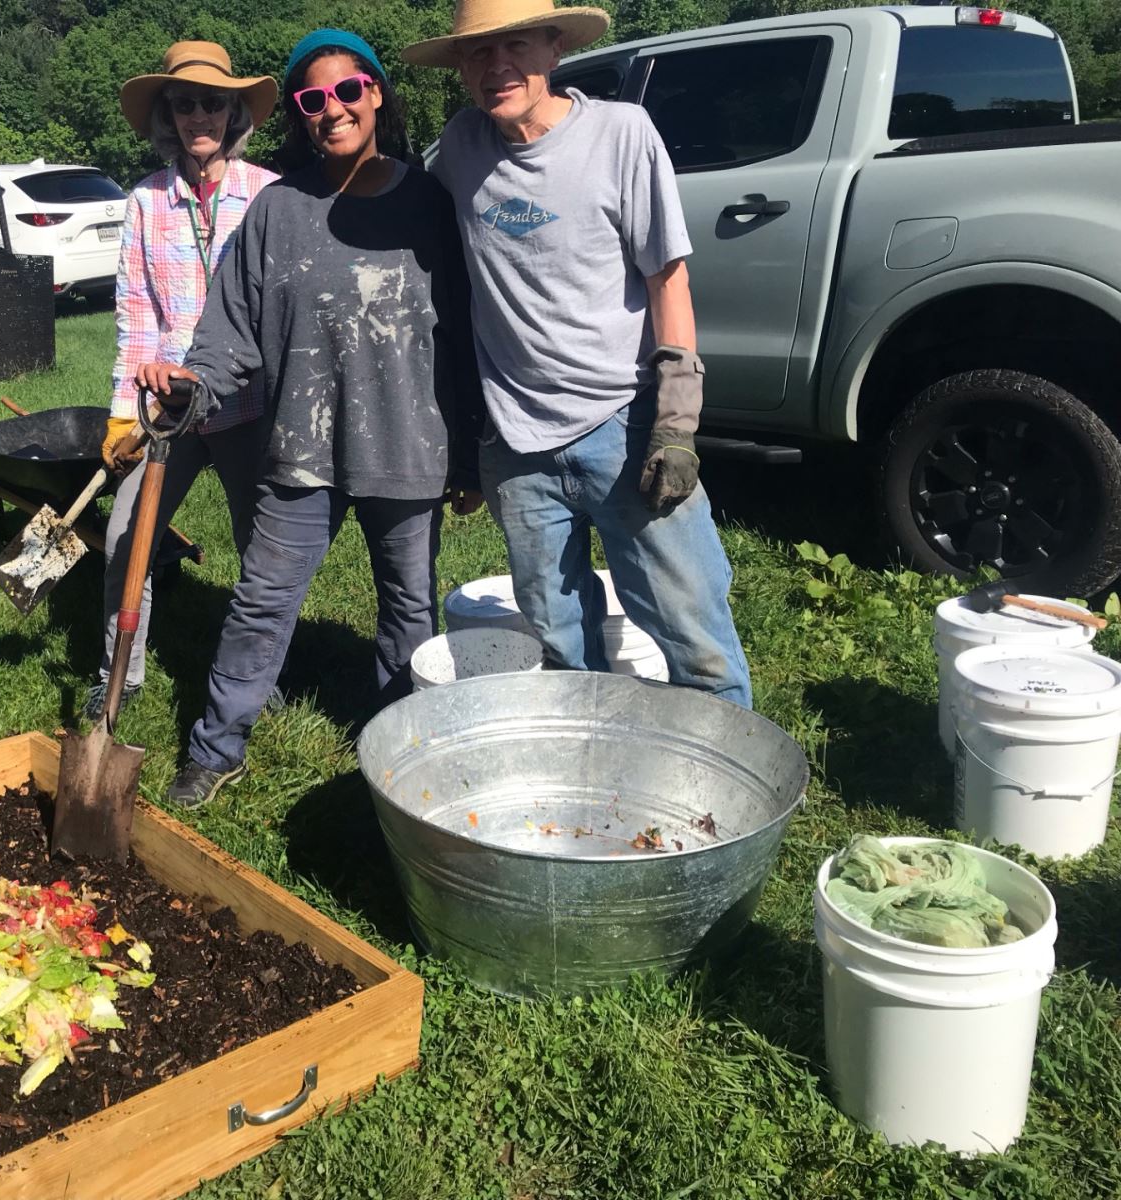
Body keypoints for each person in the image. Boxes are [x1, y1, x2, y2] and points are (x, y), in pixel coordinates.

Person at [138, 29, 483, 807]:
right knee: (262, 600)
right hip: (301, 449)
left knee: (409, 608)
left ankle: (403, 754)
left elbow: (462, 337)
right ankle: (217, 747)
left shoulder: (429, 204)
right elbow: (229, 329)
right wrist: (193, 384)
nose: (333, 109)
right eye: (313, 99)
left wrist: (468, 457)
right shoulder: (277, 211)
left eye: (348, 91)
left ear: (377, 94)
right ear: (299, 113)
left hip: (409, 447)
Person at [403, 0, 753, 708]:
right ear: (461, 67)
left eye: (517, 45)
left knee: (694, 633)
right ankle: (592, 759)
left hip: (622, 426)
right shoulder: (462, 146)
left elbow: (668, 278)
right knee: (560, 643)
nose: (498, 66)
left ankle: (727, 764)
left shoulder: (621, 134)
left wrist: (676, 422)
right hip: (515, 447)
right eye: (479, 52)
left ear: (555, 48)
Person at [87, 42, 281, 721]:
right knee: (125, 539)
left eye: (213, 103)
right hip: (167, 409)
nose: (200, 115)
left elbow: (278, 309)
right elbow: (136, 311)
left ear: (234, 113)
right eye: (185, 103)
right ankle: (119, 672)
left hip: (248, 402)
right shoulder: (145, 200)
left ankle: (259, 677)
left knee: (264, 550)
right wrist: (125, 411)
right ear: (167, 115)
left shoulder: (268, 193)